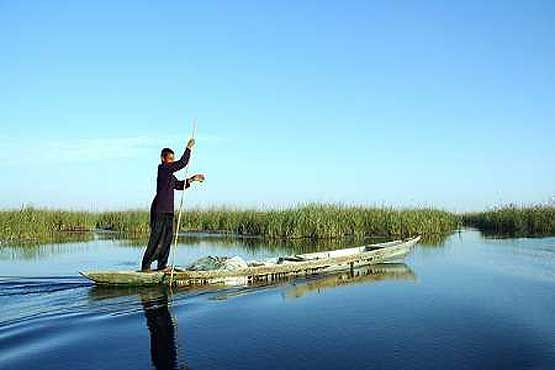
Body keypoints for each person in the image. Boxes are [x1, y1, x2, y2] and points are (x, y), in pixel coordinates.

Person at [141, 138, 205, 272]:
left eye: (172, 159)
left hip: (169, 211)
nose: (171, 161)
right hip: (159, 210)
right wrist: (188, 148)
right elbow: (182, 163)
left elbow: (179, 185)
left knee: (167, 238)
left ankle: (162, 265)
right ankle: (146, 266)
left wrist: (192, 179)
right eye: (170, 159)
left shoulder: (170, 175)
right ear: (163, 159)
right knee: (156, 237)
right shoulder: (163, 169)